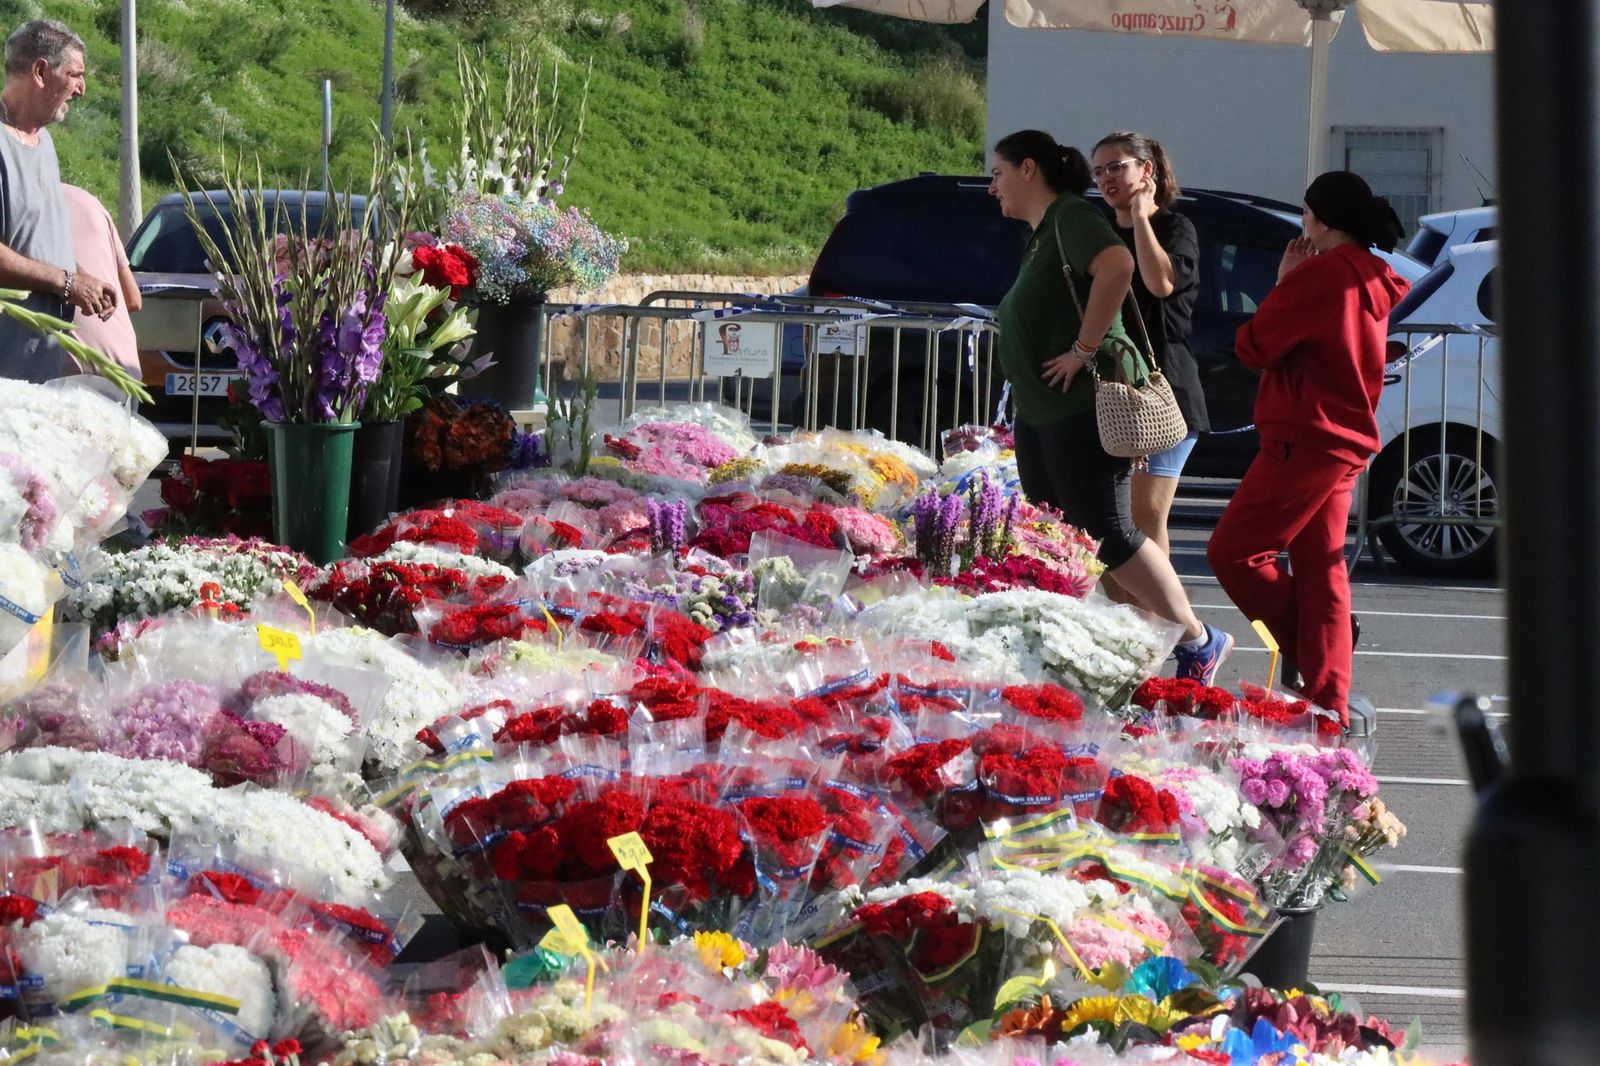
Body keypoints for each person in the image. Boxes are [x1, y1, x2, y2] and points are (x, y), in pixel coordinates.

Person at [988, 129, 1233, 684]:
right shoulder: (1045, 228)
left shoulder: (1073, 218)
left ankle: (1195, 639)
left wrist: (1082, 349)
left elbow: (1121, 268)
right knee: (1065, 530)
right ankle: (1098, 638)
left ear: (1029, 169)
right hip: (1043, 409)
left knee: (1114, 528)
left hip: (1091, 404)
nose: (992, 187)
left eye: (998, 173)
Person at [1207, 171, 1409, 723]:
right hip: (1345, 438)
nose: (1302, 224)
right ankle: (1328, 701)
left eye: (1305, 213)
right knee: (1322, 568)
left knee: (1233, 553)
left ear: (1320, 219)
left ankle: (1317, 646)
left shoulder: (1319, 274)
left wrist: (1282, 281)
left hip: (1306, 434)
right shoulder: (1374, 272)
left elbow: (1254, 345)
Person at [1090, 131, 1207, 558]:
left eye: (1117, 166)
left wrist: (1140, 217)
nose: (1106, 179)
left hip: (1161, 394)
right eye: (1099, 171)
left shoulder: (1175, 228)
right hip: (1109, 394)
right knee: (1105, 524)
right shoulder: (1097, 230)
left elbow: (1160, 284)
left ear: (1147, 170)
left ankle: (1168, 621)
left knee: (1144, 517)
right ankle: (1137, 619)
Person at [0, 18, 117, 382]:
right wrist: (67, 283)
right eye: (75, 74)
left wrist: (84, 280)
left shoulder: (44, 143)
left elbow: (34, 243)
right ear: (40, 71)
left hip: (37, 370)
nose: (81, 89)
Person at [60, 183, 141, 375]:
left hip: (64, 375)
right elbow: (133, 299)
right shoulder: (89, 201)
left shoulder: (18, 205)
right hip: (124, 368)